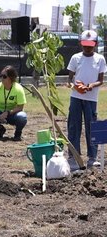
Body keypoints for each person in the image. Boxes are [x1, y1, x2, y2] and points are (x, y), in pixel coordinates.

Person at [66, 30, 106, 170]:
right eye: (85, 45)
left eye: (90, 45)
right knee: (74, 126)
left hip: (91, 98)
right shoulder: (75, 58)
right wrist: (75, 87)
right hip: (76, 97)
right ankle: (73, 156)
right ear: (80, 44)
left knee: (92, 126)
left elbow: (100, 80)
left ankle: (93, 158)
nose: (87, 48)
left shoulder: (100, 59)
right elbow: (70, 79)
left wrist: (90, 86)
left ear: (96, 44)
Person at [0, 66, 27, 141]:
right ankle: (0, 129)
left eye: (4, 76)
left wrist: (8, 113)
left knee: (22, 117)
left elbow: (20, 107)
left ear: (11, 78)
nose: (1, 78)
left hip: (13, 114)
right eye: (0, 76)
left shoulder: (18, 89)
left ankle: (18, 133)